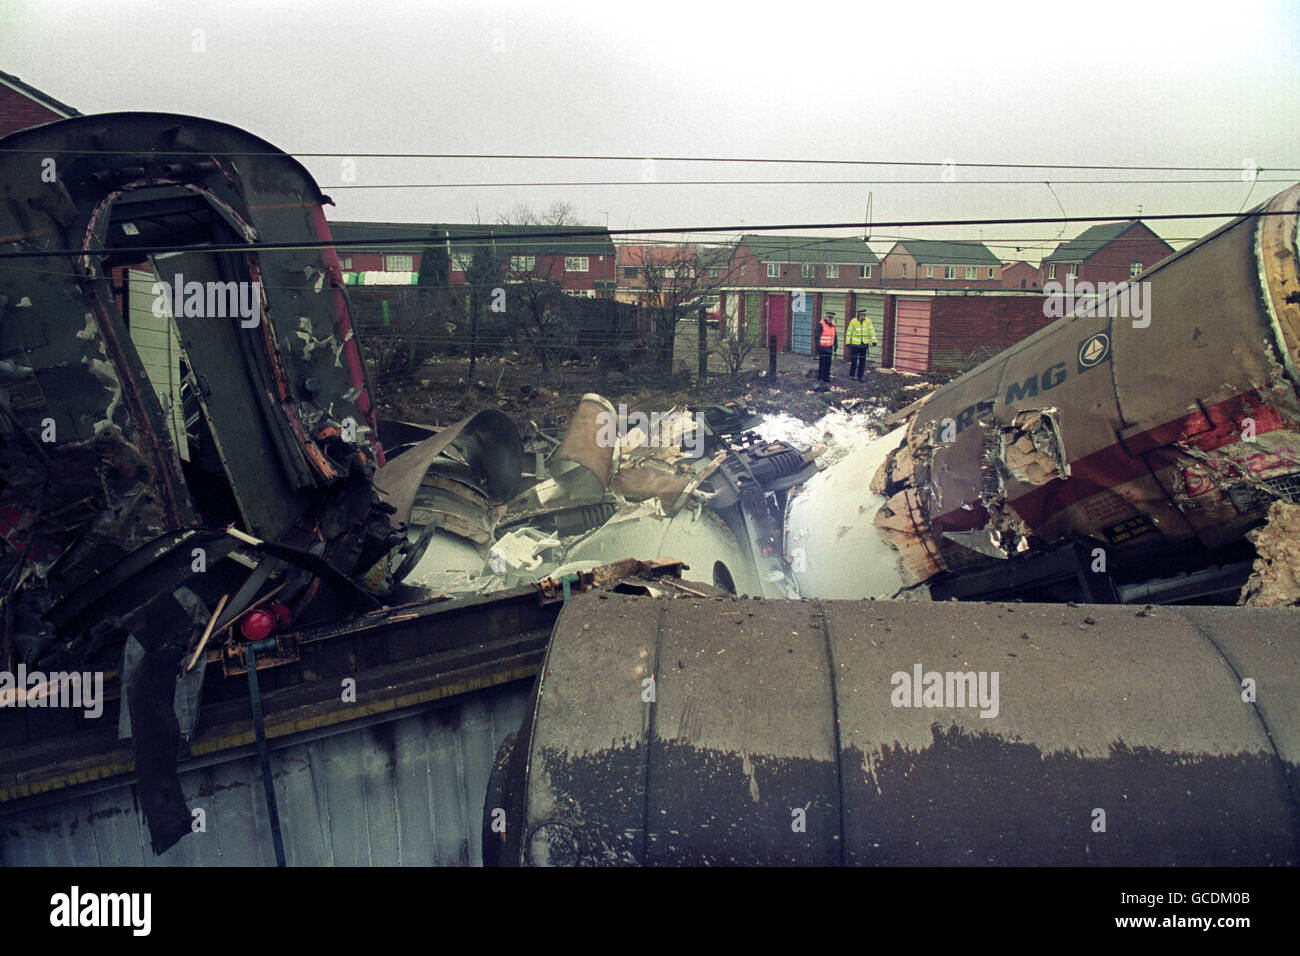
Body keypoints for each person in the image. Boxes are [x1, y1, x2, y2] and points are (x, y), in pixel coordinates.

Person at [846, 309, 878, 381]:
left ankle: (860, 376)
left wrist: (874, 341)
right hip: (855, 345)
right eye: (863, 315)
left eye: (865, 315)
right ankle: (852, 375)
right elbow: (849, 332)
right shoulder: (853, 321)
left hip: (864, 344)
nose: (864, 316)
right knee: (854, 360)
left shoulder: (868, 321)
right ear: (859, 315)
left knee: (862, 361)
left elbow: (871, 331)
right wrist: (848, 342)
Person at [816, 311, 837, 383]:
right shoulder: (821, 324)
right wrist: (818, 347)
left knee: (828, 364)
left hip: (829, 347)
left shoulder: (833, 325)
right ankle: (821, 378)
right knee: (822, 363)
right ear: (826, 317)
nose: (830, 319)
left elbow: (835, 336)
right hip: (823, 347)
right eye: (829, 317)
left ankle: (826, 377)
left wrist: (835, 344)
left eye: (831, 318)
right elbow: (817, 336)